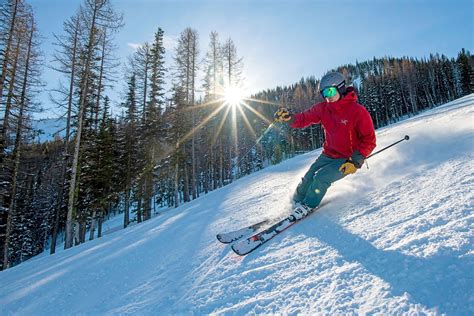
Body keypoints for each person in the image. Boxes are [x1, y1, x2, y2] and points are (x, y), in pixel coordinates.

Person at [274, 72, 376, 219]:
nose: (327, 96)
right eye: (324, 93)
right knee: (308, 178)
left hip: (347, 159)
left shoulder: (358, 111)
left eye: (330, 91)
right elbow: (304, 118)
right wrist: (290, 118)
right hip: (328, 154)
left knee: (321, 178)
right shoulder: (323, 108)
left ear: (340, 88)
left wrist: (356, 160)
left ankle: (307, 205)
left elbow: (369, 139)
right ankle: (295, 203)